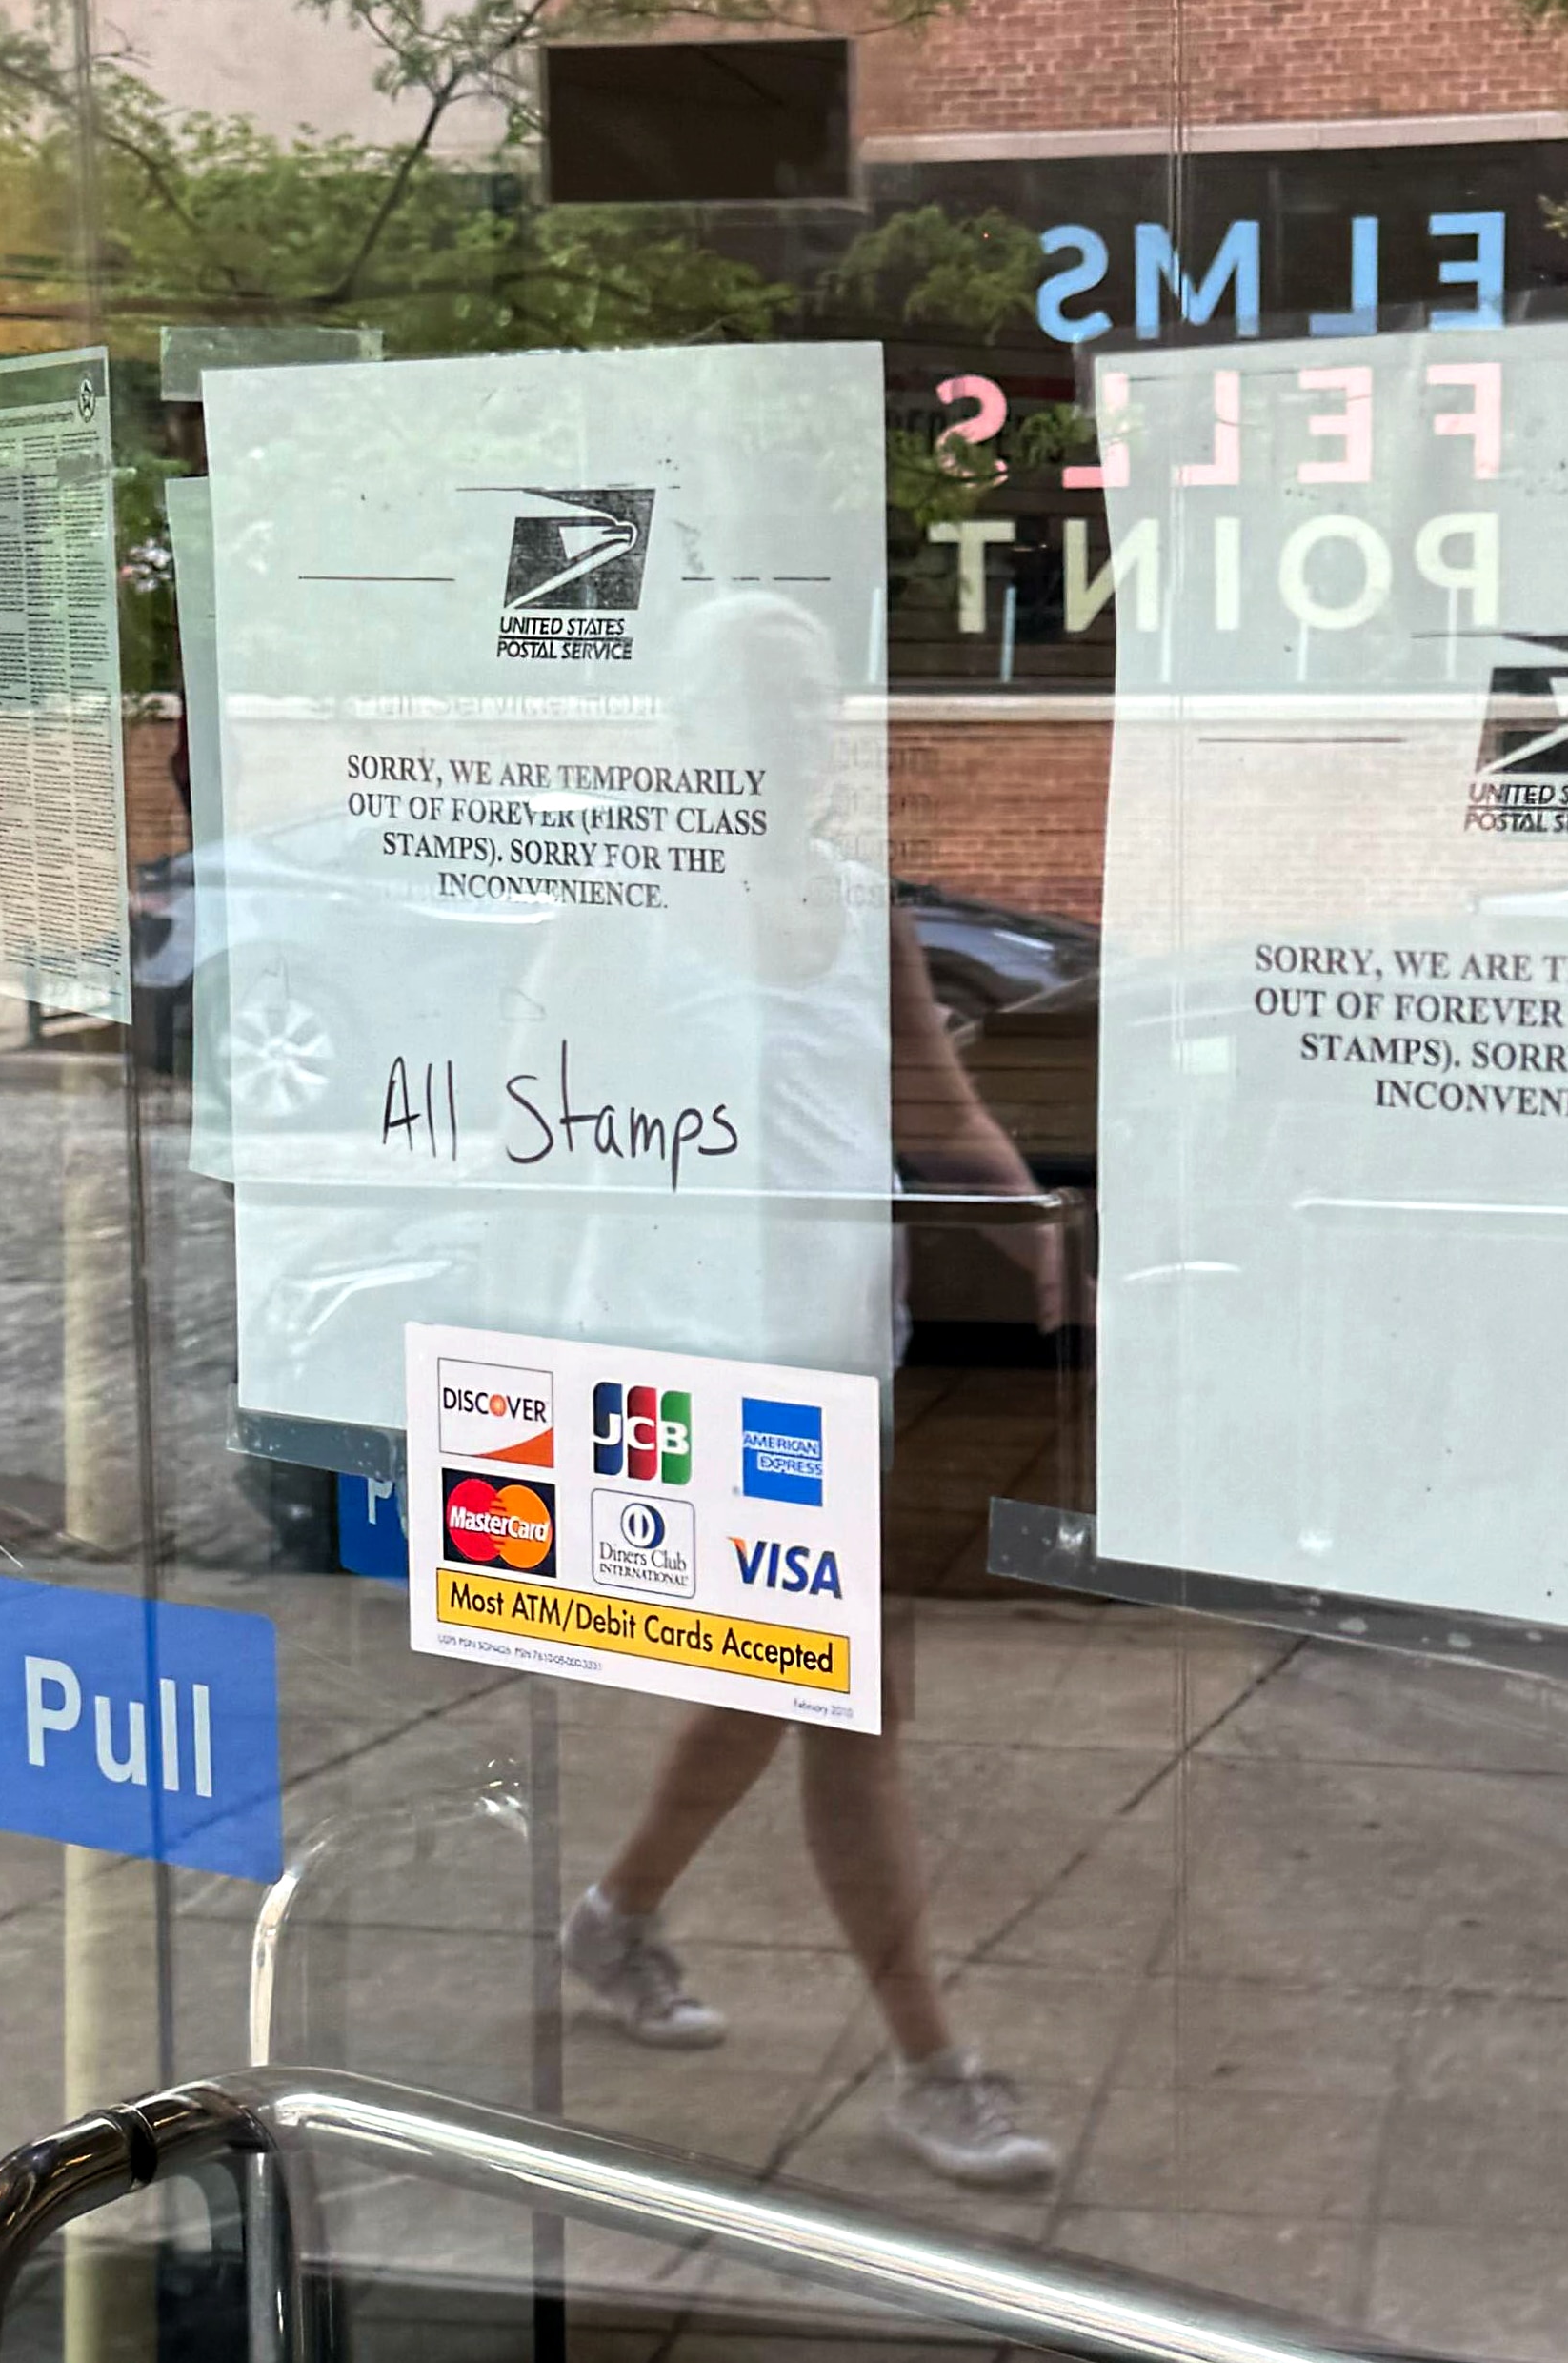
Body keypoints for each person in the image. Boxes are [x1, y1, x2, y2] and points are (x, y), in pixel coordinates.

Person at [557, 892, 1071, 2191]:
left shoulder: (858, 914)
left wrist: (1042, 1238)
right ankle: (931, 2065)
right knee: (850, 1698)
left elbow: (933, 1111)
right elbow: (545, 1109)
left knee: (782, 1676)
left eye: (812, 705)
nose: (801, 735)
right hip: (691, 1368)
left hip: (842, 1358)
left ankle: (616, 1918)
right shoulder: (629, 909)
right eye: (767, 704)